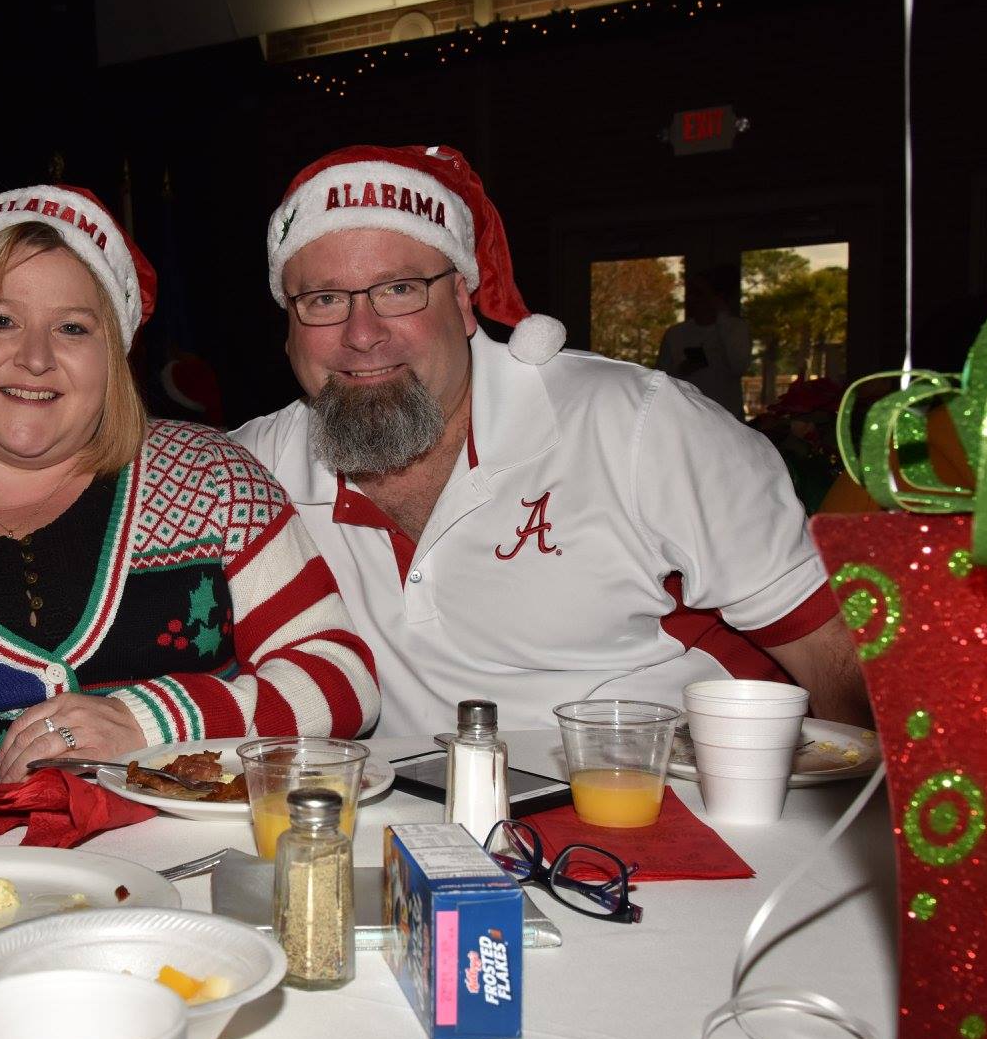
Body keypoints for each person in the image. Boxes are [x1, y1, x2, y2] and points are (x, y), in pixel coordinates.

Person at [232, 144, 869, 736]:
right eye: (322, 299)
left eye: (400, 290)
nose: (362, 333)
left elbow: (835, 652)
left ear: (461, 298)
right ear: (288, 322)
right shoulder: (249, 472)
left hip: (684, 807)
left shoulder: (637, 425)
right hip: (428, 832)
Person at [0, 185, 378, 787]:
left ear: (114, 357)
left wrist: (150, 723)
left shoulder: (210, 479)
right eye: (0, 321)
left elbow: (340, 679)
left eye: (72, 328)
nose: (35, 357)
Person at [657, 271, 752, 418]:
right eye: (691, 293)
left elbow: (739, 365)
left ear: (718, 296)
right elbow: (661, 377)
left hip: (728, 416)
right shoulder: (675, 334)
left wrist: (723, 319)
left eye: (701, 293)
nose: (693, 299)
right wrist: (681, 371)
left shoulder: (735, 329)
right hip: (687, 416)